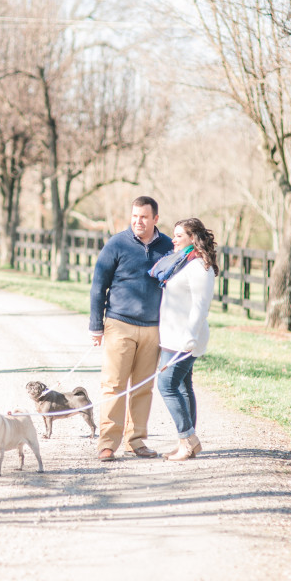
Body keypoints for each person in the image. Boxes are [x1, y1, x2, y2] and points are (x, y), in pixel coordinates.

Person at [89, 196, 173, 461]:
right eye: (135, 216)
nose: (138, 221)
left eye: (144, 217)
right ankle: (107, 444)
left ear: (155, 219)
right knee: (113, 385)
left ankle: (136, 440)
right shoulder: (116, 244)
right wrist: (96, 326)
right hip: (119, 324)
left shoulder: (168, 246)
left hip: (153, 329)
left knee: (142, 388)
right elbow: (97, 286)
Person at [149, 217, 218, 461]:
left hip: (185, 339)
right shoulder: (182, 262)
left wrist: (189, 338)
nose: (174, 239)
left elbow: (200, 306)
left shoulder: (199, 267)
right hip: (172, 336)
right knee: (182, 386)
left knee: (166, 385)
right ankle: (186, 443)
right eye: (174, 234)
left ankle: (188, 441)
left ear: (192, 238)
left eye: (179, 235)